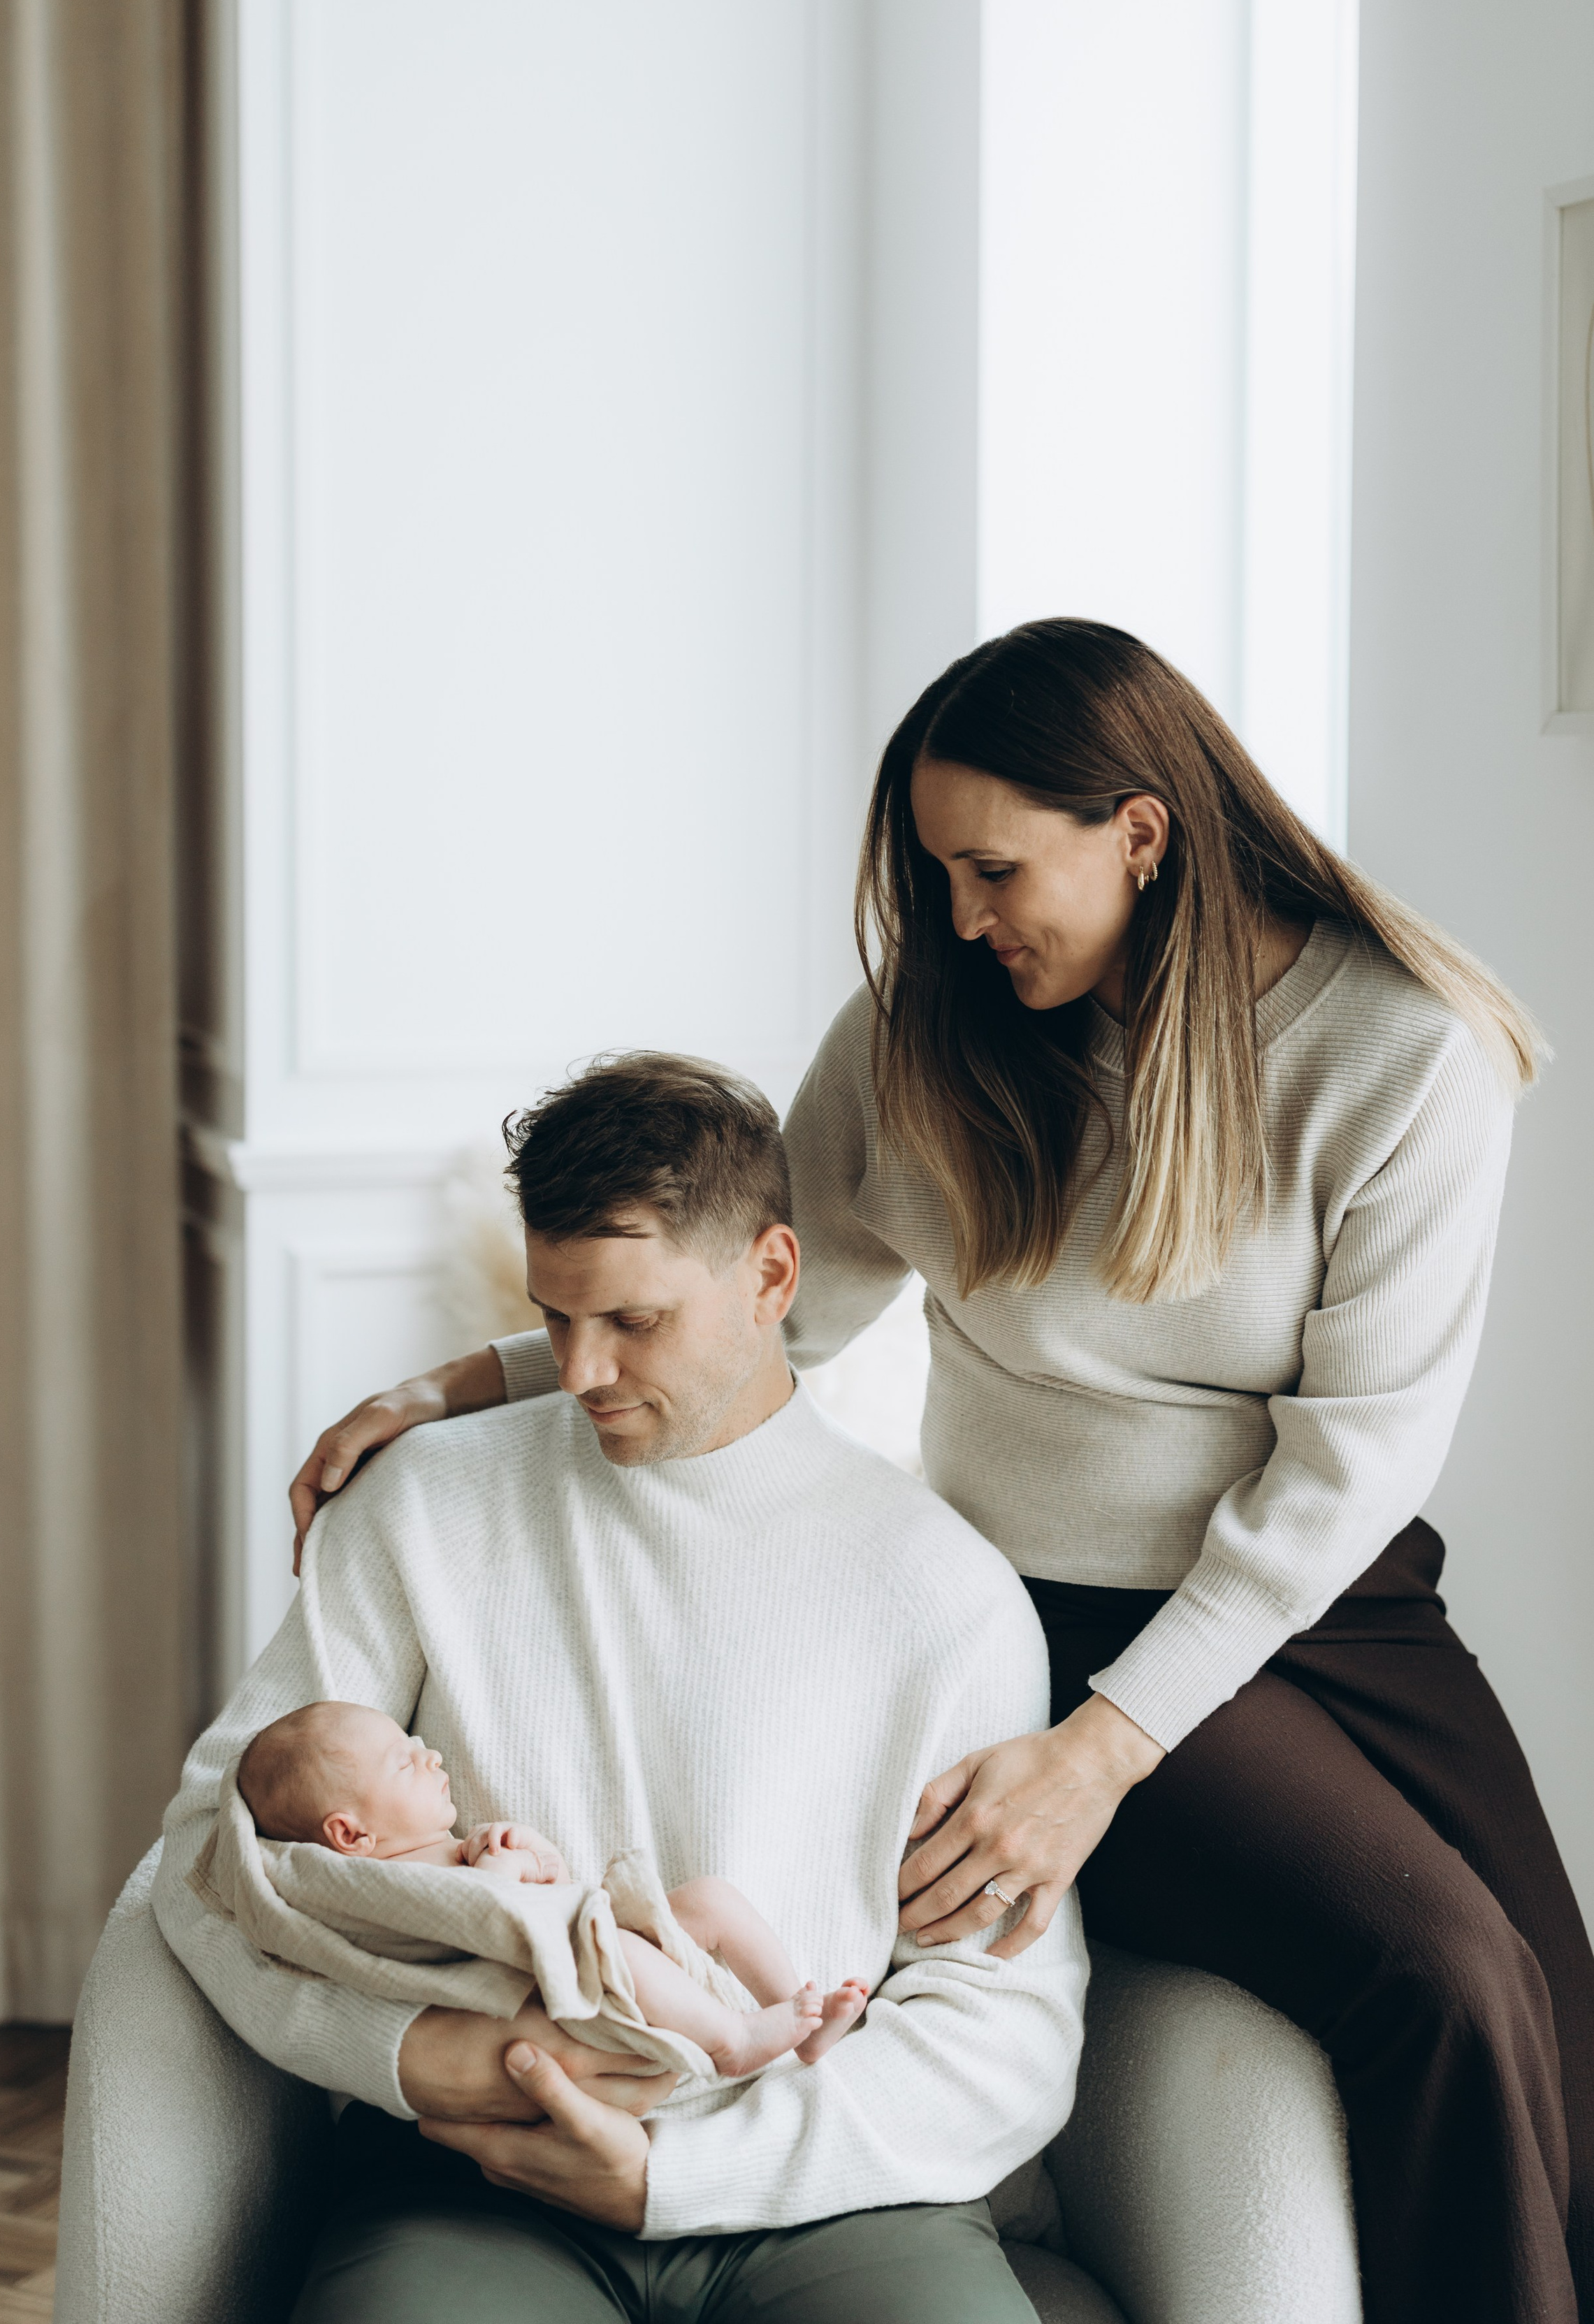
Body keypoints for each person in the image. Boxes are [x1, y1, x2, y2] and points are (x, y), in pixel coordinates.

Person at [295, 620, 1594, 2324]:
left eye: (992, 871)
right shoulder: (934, 1028)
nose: (961, 920)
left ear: (1138, 830)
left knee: (1553, 1999)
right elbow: (767, 1303)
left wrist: (1106, 1759)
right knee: (1438, 1975)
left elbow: (1351, 1462)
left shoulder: (1404, 1048)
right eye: (938, 875)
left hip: (1328, 1599)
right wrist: (469, 1378)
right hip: (1051, 1617)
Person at [160, 1051, 1085, 2323]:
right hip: (479, 2167)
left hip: (830, 2192)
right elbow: (212, 1850)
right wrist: (426, 2059)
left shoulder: (949, 1594)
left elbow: (1002, 2023)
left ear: (771, 1275)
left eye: (634, 1321)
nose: (581, 1370)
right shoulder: (424, 1506)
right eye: (554, 1317)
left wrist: (674, 2170)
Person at [236, 1699, 871, 2072]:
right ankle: (731, 2040)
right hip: (584, 1987)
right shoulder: (382, 1885)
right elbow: (479, 1917)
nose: (430, 1755)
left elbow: (552, 1897)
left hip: (591, 1942)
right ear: (350, 1836)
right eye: (404, 1761)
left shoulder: (450, 1851)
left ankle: (798, 2018)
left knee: (709, 1898)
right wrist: (506, 1872)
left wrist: (537, 1858)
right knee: (622, 1949)